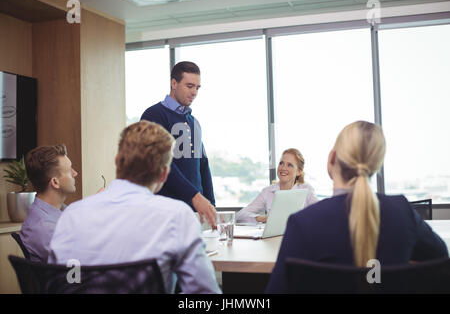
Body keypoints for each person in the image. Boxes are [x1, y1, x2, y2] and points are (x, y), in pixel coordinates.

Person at [266, 121, 448, 293]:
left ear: (332, 158)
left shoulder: (303, 223)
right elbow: (440, 257)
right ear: (375, 165)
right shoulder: (402, 212)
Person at [48, 121, 221, 294]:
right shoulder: (177, 217)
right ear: (163, 175)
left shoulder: (72, 215)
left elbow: (64, 284)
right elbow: (204, 293)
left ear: (117, 161)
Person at [140, 61, 216, 227]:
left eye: (197, 87)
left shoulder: (194, 122)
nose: (194, 92)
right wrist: (195, 196)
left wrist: (211, 205)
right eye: (189, 86)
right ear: (173, 83)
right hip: (165, 214)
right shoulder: (153, 115)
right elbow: (161, 164)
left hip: (195, 214)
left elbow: (203, 165)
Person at [19, 144, 78, 262]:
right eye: (69, 170)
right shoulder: (44, 229)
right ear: (55, 182)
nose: (75, 173)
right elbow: (79, 266)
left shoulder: (58, 210)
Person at [236, 148, 318, 224]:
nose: (283, 168)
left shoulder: (306, 189)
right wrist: (262, 218)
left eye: (289, 165)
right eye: (281, 163)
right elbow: (240, 215)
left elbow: (319, 213)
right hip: (272, 238)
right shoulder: (268, 191)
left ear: (299, 172)